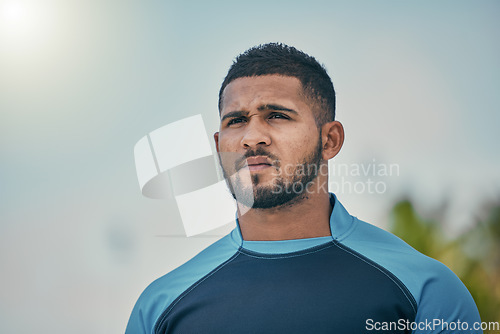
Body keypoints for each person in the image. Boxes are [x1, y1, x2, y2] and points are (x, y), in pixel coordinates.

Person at [126, 43, 482, 333]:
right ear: (219, 143)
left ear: (330, 140)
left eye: (277, 115)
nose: (252, 137)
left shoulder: (425, 291)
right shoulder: (160, 308)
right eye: (236, 121)